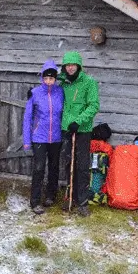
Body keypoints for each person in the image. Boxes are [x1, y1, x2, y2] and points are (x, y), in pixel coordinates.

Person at [59, 51, 100, 216]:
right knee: (68, 162)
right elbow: (47, 87)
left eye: (73, 65)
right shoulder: (63, 82)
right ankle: (69, 196)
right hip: (67, 128)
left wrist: (79, 121)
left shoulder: (88, 82)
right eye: (67, 65)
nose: (70, 68)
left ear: (78, 66)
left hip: (82, 130)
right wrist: (33, 94)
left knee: (82, 165)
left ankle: (82, 201)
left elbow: (93, 105)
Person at [23, 60, 65, 215]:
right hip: (39, 137)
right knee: (39, 168)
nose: (48, 81)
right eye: (46, 78)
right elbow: (27, 117)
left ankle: (50, 196)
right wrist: (27, 140)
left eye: (51, 78)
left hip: (56, 138)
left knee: (54, 167)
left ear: (55, 79)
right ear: (42, 78)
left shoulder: (60, 92)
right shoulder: (34, 93)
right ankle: (35, 201)